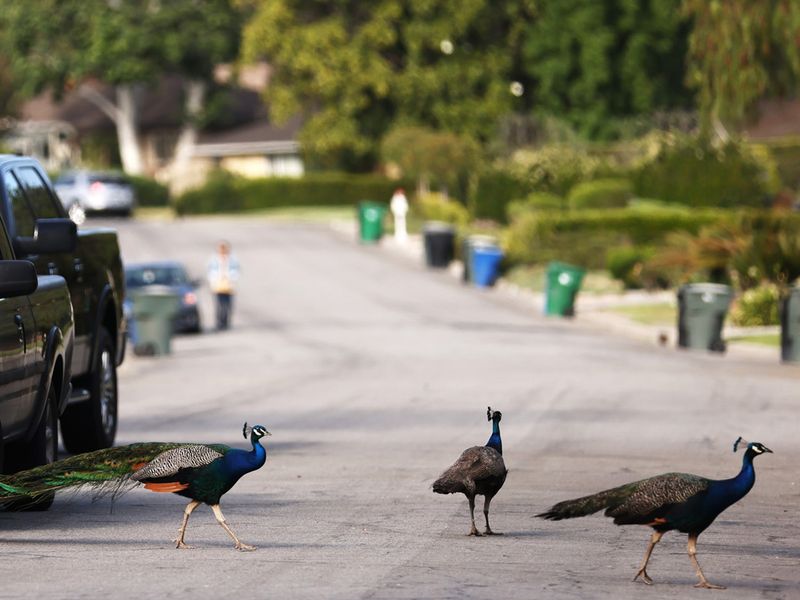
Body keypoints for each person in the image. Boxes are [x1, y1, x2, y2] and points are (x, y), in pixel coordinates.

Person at [207, 241, 240, 330]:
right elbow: (210, 272)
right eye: (221, 248)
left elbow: (236, 271)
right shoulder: (214, 259)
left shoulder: (233, 260)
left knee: (228, 305)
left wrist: (231, 279)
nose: (222, 250)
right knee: (219, 305)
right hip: (218, 285)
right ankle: (219, 322)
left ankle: (226, 322)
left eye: (224, 248)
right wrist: (213, 283)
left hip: (228, 285)